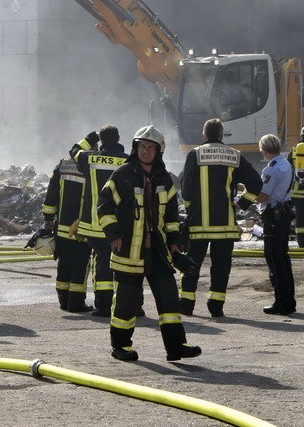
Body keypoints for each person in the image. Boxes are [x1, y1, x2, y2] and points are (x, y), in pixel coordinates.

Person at [97, 125, 202, 362]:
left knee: (169, 298)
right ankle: (121, 346)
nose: (145, 151)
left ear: (158, 151)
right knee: (126, 302)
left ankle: (176, 347)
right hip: (128, 250)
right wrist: (113, 233)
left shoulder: (165, 179)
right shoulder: (122, 175)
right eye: (142, 146)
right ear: (136, 148)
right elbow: (104, 204)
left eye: (150, 147)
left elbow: (173, 217)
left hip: (158, 248)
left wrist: (175, 244)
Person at [178, 118, 264, 317]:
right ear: (221, 135)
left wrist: (191, 209)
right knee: (221, 266)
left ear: (204, 135)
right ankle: (216, 306)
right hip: (225, 226)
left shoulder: (195, 154)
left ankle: (186, 304)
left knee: (191, 264)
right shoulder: (234, 155)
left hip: (198, 225)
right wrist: (242, 203)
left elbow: (186, 188)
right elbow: (256, 184)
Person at [70, 124, 128, 317]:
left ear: (101, 140)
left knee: (101, 263)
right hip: (118, 225)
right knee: (121, 265)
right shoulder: (127, 161)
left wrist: (89, 138)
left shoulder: (89, 158)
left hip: (94, 224)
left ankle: (102, 306)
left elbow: (74, 151)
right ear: (118, 138)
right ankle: (126, 304)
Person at [42, 153, 91, 312]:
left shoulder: (64, 164)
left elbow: (52, 191)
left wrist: (49, 217)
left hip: (62, 226)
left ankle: (63, 301)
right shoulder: (92, 165)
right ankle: (76, 303)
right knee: (80, 265)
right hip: (82, 228)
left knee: (64, 263)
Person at [255, 133, 298, 315]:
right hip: (284, 213)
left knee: (274, 258)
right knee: (283, 258)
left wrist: (244, 196)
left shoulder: (270, 169)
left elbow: (263, 196)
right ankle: (289, 300)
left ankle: (281, 302)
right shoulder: (286, 164)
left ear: (264, 150)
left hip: (274, 217)